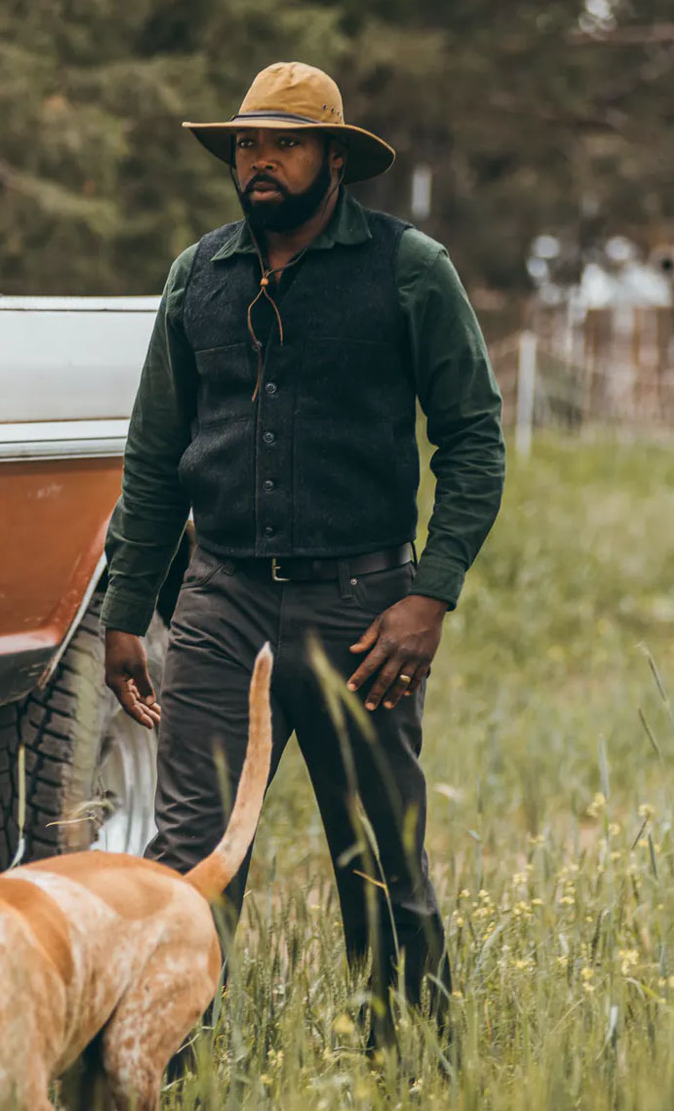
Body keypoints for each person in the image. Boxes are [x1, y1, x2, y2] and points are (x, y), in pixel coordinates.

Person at [101, 61, 505, 1045]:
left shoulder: (410, 270)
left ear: (334, 157)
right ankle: (170, 1070)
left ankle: (406, 1068)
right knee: (190, 859)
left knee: (379, 856)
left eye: (282, 143)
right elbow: (156, 454)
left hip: (365, 609)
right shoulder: (198, 276)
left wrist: (432, 594)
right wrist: (123, 612)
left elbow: (474, 438)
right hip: (218, 604)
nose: (260, 161)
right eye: (246, 144)